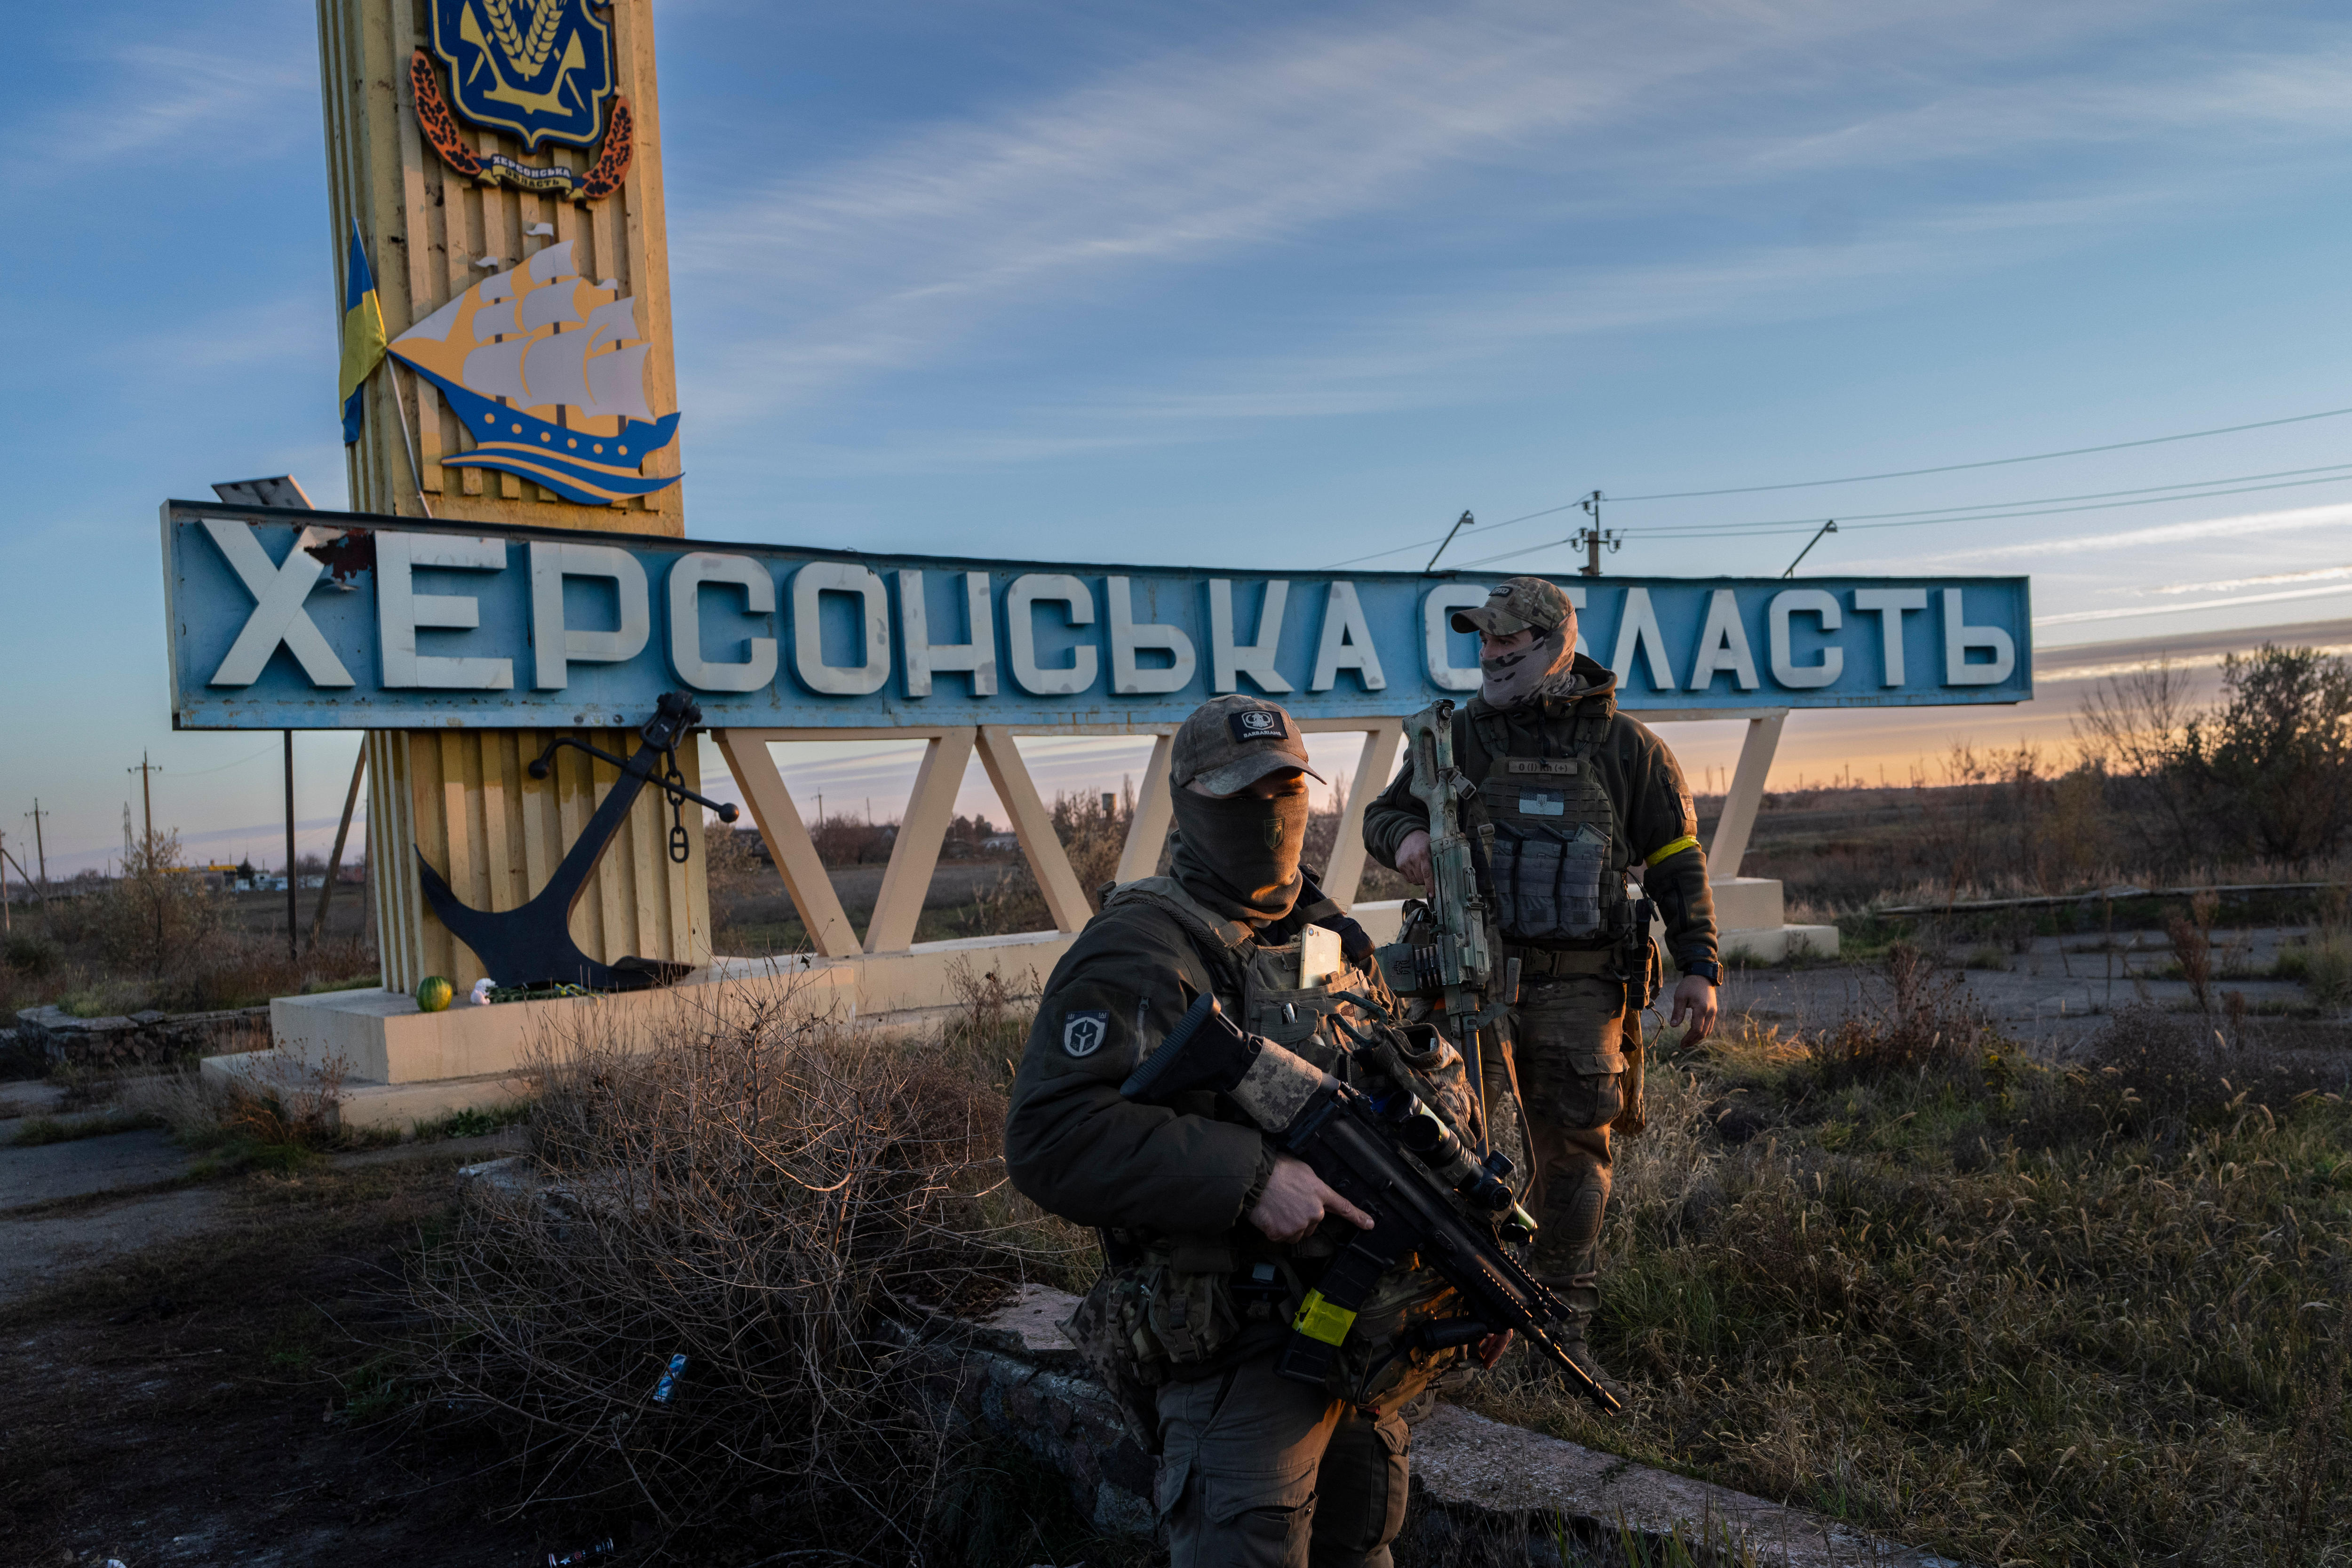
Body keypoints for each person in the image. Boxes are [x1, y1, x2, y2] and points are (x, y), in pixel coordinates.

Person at [1005, 694, 1501, 1568]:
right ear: (1190, 801)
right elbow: (1052, 1133)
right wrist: (1251, 1175)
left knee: (1361, 1542)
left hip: (1353, 1343)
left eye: (1286, 788)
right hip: (1234, 1349)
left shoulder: (1325, 931)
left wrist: (1460, 1273)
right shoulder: (1142, 946)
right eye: (1242, 794)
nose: (1272, 813)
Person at [1361, 575, 1721, 1401]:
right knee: (1447, 1148)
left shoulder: (1627, 749)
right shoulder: (1454, 740)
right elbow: (1382, 816)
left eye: (1508, 644)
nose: (1489, 657)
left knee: (1574, 1154)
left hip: (1580, 987)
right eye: (1482, 642)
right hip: (1466, 979)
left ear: (1558, 644)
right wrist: (1408, 833)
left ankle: (1561, 1323)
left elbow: (1676, 861)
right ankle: (1443, 1319)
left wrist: (1698, 966)